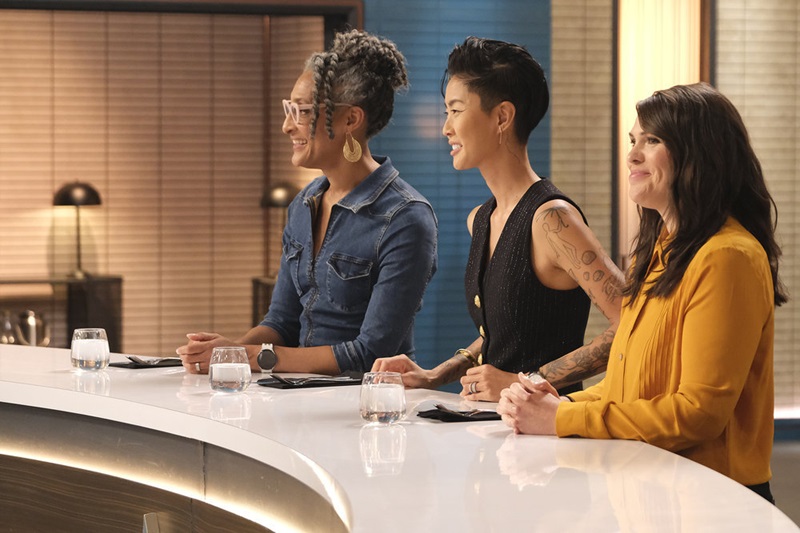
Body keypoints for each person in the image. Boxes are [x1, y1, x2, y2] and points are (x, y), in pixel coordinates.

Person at [498, 82, 788, 503]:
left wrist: (564, 417)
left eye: (652, 141)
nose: (632, 154)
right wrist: (548, 398)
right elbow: (631, 387)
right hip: (651, 490)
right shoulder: (658, 254)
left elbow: (698, 414)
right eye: (633, 140)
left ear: (699, 153)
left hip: (716, 500)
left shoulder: (728, 256)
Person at [372, 37, 624, 401]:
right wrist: (435, 374)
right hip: (495, 427)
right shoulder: (482, 218)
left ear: (502, 117)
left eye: (455, 111)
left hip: (549, 433)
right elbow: (501, 335)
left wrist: (527, 380)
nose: (446, 128)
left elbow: (631, 322)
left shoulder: (553, 220)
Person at [177, 30, 437, 375]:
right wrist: (226, 353)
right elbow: (282, 322)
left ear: (350, 119)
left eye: (301, 112)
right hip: (299, 396)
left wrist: (251, 357)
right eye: (290, 109)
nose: (287, 126)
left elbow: (370, 352)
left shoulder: (406, 218)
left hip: (366, 406)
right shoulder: (304, 203)